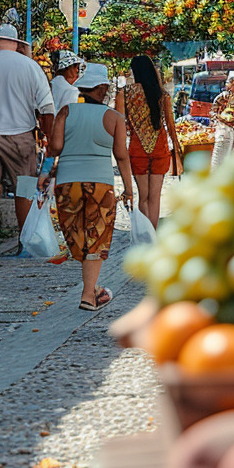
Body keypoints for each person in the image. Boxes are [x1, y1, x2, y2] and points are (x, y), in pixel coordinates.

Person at [39, 61, 134, 310]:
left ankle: (90, 292)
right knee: (97, 237)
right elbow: (122, 156)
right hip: (101, 185)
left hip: (68, 184)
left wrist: (45, 173)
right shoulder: (114, 117)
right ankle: (89, 292)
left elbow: (55, 147)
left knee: (77, 237)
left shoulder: (66, 112)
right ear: (103, 88)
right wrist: (129, 188)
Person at [0, 23, 55, 266]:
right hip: (21, 136)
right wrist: (49, 139)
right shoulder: (30, 66)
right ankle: (24, 244)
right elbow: (46, 107)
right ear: (16, 44)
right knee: (24, 189)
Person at [119, 54, 182, 229]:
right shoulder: (162, 94)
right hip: (160, 148)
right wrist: (177, 148)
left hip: (137, 149)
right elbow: (170, 125)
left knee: (143, 197)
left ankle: (145, 234)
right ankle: (152, 234)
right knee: (155, 197)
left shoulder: (125, 94)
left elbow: (120, 125)